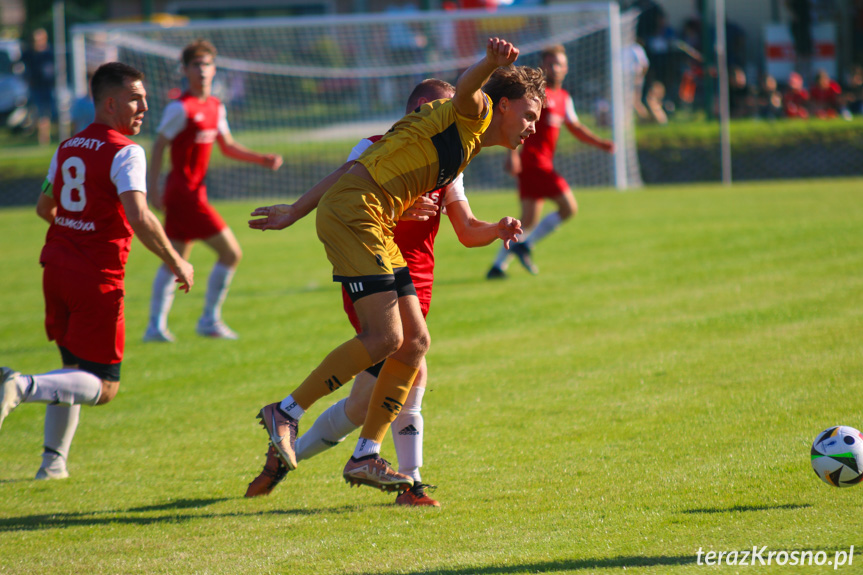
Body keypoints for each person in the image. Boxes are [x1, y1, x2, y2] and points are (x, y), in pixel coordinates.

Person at [249, 38, 542, 493]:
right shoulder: (474, 111)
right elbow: (466, 91)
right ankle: (285, 412)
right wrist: (489, 62)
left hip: (372, 218)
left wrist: (294, 211)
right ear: (501, 105)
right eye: (528, 116)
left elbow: (354, 171)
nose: (532, 128)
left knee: (414, 344)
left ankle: (365, 455)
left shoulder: (464, 145)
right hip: (357, 213)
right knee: (385, 339)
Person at [0, 62, 195, 480]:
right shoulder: (126, 151)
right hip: (96, 278)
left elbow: (44, 209)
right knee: (103, 387)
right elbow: (140, 217)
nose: (145, 105)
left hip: (55, 268)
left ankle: (52, 464)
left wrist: (75, 229)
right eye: (135, 98)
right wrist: (177, 261)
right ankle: (20, 386)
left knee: (71, 371)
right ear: (110, 103)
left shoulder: (68, 146)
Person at [143, 39, 282, 343]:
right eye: (196, 65)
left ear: (214, 69)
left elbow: (228, 146)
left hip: (193, 194)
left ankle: (155, 327)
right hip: (184, 195)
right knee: (231, 253)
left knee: (175, 258)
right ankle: (208, 320)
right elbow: (158, 147)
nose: (202, 70)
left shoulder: (215, 107)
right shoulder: (180, 108)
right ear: (185, 70)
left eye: (206, 64)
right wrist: (153, 188)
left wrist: (261, 159)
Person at [487, 45, 614, 279]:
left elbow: (576, 128)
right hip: (534, 163)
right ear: (543, 66)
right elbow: (513, 122)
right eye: (551, 63)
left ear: (566, 69)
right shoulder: (536, 95)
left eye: (560, 64)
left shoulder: (564, 98)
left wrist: (599, 143)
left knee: (527, 220)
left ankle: (497, 267)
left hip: (539, 165)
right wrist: (512, 154)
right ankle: (525, 246)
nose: (555, 68)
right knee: (568, 207)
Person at [21, 28, 54, 146]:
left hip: (49, 88)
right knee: (39, 113)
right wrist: (26, 78)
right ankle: (43, 138)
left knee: (45, 114)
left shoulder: (50, 52)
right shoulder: (28, 53)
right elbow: (19, 66)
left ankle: (44, 138)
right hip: (35, 88)